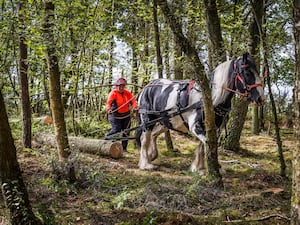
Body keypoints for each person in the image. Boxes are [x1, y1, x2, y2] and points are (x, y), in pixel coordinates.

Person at [105, 77, 138, 152]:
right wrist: (108, 109)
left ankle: (124, 149)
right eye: (119, 86)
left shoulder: (127, 93)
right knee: (116, 129)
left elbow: (133, 101)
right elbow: (108, 103)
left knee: (126, 132)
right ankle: (108, 141)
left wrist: (135, 107)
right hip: (114, 116)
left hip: (126, 116)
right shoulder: (113, 93)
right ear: (116, 86)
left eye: (123, 86)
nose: (121, 87)